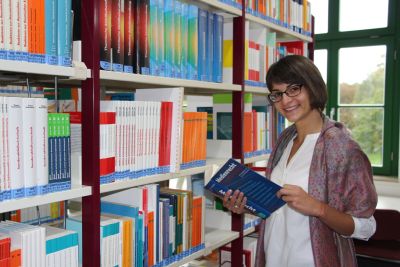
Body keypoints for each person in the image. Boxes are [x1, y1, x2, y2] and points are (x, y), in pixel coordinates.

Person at [223, 55, 377, 267]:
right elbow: (281, 208)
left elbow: (366, 227)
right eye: (277, 94)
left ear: (313, 87)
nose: (285, 101)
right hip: (273, 258)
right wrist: (247, 206)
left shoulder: (342, 147)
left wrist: (318, 208)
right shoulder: (285, 140)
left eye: (294, 89)